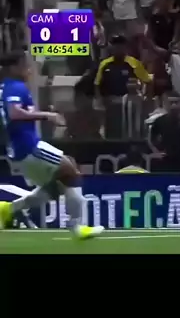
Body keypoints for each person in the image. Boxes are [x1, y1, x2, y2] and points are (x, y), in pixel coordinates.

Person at [0, 50, 103, 238]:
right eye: (24, 64)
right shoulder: (15, 87)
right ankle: (77, 226)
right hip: (29, 146)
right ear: (13, 68)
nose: (28, 68)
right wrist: (47, 115)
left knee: (57, 185)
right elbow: (14, 113)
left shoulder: (6, 87)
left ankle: (9, 208)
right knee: (70, 172)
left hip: (19, 149)